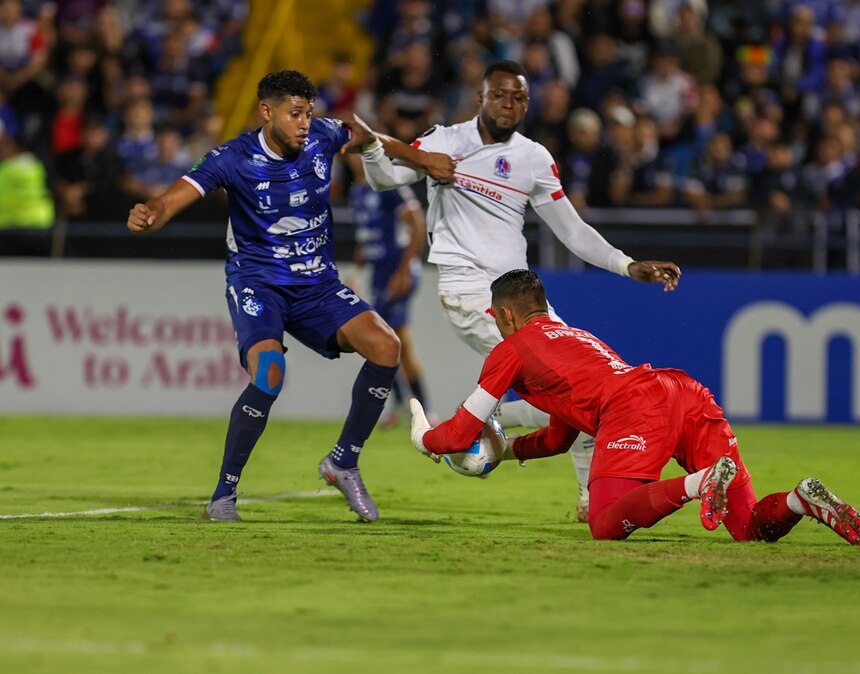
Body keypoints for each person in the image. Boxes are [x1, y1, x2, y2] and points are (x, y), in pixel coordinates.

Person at [358, 59, 681, 522]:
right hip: (472, 292)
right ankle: (491, 430)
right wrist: (372, 151)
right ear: (480, 98)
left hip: (526, 299)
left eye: (518, 98)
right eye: (500, 95)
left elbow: (572, 230)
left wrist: (627, 266)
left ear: (526, 103)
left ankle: (497, 433)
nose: (508, 104)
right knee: (577, 393)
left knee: (584, 398)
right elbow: (385, 178)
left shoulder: (533, 158)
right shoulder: (444, 142)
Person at [126, 70, 454, 523]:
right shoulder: (233, 157)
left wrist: (423, 160)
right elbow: (179, 195)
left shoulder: (324, 134)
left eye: (308, 113)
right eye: (294, 113)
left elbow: (368, 135)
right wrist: (152, 212)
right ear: (267, 111)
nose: (304, 122)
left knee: (386, 346)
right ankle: (224, 495)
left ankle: (343, 462)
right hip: (258, 282)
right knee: (270, 373)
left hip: (318, 284)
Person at [409, 270, 860, 546]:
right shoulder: (575, 337)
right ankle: (798, 499)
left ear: (504, 316)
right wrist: (501, 451)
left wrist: (423, 438)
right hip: (681, 391)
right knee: (748, 527)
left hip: (636, 406)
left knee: (606, 525)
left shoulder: (512, 349)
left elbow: (454, 433)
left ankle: (701, 483)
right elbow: (557, 437)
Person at [345, 153, 430, 424]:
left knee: (377, 338)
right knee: (398, 342)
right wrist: (356, 273)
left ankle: (412, 406)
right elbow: (366, 238)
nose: (354, 158)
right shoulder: (357, 192)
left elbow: (417, 223)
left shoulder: (387, 185)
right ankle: (413, 406)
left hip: (397, 271)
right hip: (380, 274)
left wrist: (404, 270)